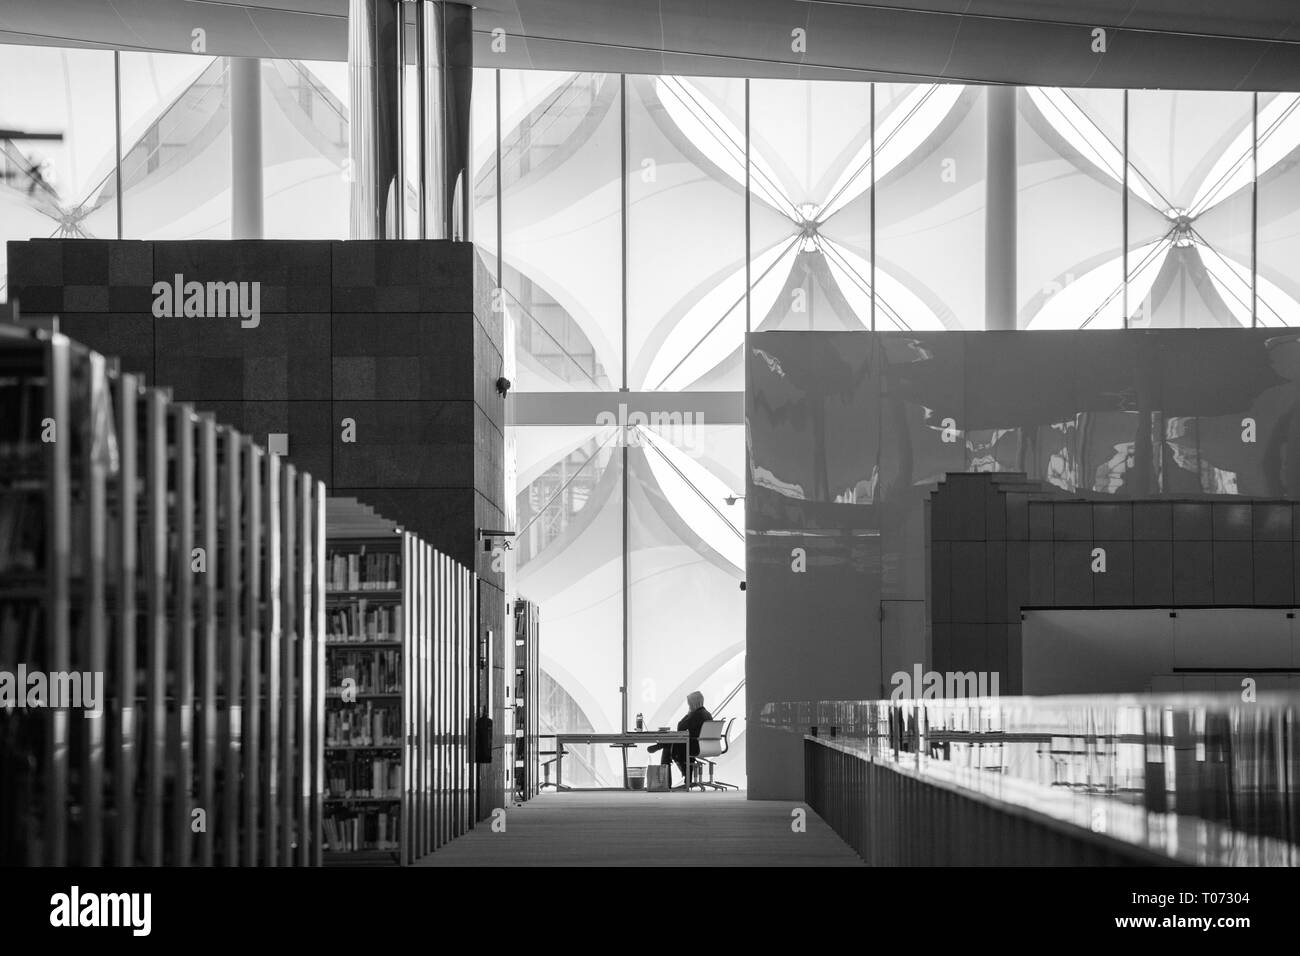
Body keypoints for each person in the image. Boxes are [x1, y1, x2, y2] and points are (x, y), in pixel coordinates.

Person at [647, 691, 712, 788]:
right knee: (671, 746)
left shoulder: (696, 714)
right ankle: (662, 745)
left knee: (668, 749)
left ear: (693, 703)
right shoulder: (707, 714)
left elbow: (680, 726)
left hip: (694, 746)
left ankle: (666, 783)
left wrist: (688, 713)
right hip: (701, 745)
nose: (688, 705)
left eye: (689, 703)